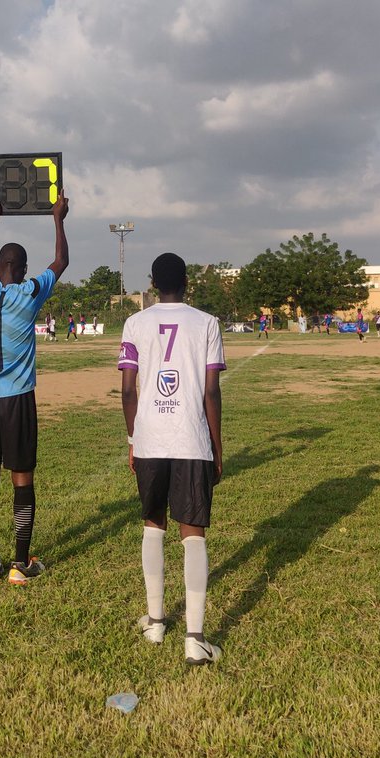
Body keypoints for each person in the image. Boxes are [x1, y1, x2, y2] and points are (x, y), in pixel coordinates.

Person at [119, 253, 225, 665]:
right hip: (191, 439)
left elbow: (129, 390)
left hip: (149, 439)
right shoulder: (207, 323)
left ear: (152, 282)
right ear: (186, 282)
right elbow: (211, 392)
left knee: (153, 525)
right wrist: (216, 444)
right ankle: (195, 637)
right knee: (192, 531)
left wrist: (134, 436)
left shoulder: (134, 323)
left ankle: (156, 621)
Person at [0, 190, 69, 585]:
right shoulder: (29, 294)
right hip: (17, 398)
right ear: (24, 270)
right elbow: (61, 262)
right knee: (21, 477)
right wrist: (58, 218)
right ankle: (20, 564)